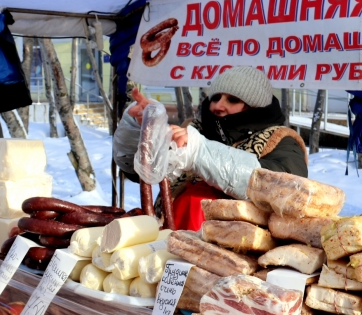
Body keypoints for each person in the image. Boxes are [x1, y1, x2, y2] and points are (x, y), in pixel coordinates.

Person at [114, 66, 308, 230]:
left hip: (235, 254)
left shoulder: (280, 139)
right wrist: (142, 127)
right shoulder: (194, 129)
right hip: (169, 243)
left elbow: (287, 190)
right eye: (215, 97)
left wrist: (200, 152)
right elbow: (137, 171)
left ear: (253, 106)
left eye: (232, 100)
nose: (218, 105)